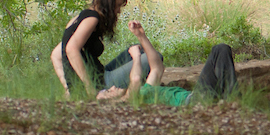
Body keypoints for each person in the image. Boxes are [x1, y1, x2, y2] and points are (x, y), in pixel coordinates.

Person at [50, 0, 164, 98]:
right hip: (101, 83)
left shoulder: (77, 19)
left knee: (139, 49)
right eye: (117, 6)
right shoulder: (92, 19)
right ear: (108, 4)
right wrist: (90, 89)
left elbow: (56, 54)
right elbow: (71, 49)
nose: (118, 11)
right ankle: (143, 93)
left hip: (101, 73)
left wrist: (68, 88)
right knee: (155, 57)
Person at [96, 43, 238, 106]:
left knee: (221, 49)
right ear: (112, 102)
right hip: (194, 102)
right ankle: (235, 101)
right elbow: (136, 78)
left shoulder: (144, 91)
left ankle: (231, 100)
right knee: (219, 50)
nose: (113, 87)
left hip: (196, 96)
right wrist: (136, 56)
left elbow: (157, 67)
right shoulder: (130, 100)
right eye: (109, 91)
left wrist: (141, 35)